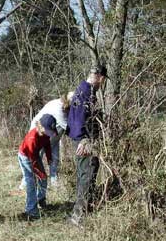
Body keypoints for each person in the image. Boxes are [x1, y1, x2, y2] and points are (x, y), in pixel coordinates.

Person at [66, 65, 108, 227]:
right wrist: (84, 140)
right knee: (87, 176)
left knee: (85, 175)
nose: (102, 83)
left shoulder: (81, 90)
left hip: (83, 140)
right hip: (85, 143)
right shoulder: (87, 93)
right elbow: (78, 119)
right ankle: (79, 217)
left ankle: (81, 212)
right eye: (102, 80)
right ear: (99, 77)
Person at [19, 91, 74, 189]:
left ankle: (54, 180)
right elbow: (70, 129)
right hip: (39, 133)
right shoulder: (59, 108)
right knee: (34, 157)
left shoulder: (67, 107)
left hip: (52, 135)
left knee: (54, 157)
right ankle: (27, 181)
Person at [18, 114, 58, 220]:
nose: (52, 133)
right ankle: (31, 211)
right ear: (42, 127)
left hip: (34, 155)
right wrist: (38, 173)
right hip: (26, 157)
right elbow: (32, 160)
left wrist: (49, 158)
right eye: (50, 130)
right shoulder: (33, 138)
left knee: (44, 178)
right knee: (32, 183)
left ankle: (41, 200)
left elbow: (47, 145)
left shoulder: (46, 133)